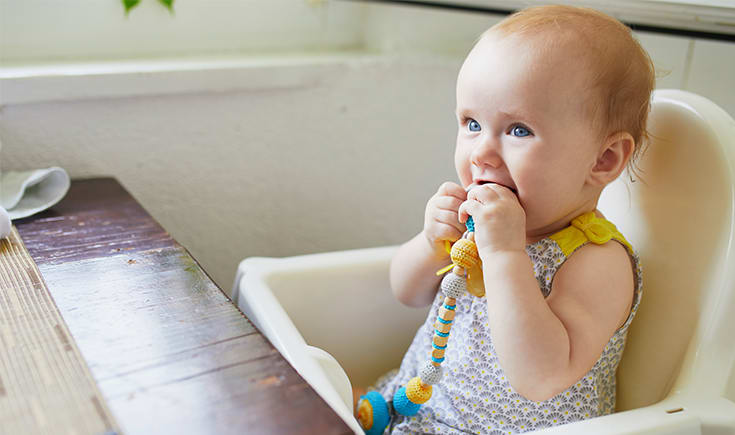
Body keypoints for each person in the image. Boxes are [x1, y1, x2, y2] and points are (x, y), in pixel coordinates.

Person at [372, 5, 652, 434]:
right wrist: (431, 241)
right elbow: (405, 292)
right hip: (420, 409)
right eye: (471, 123)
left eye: (518, 130)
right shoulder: (477, 224)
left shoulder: (597, 261)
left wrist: (504, 255)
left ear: (603, 159)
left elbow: (540, 377)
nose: (480, 152)